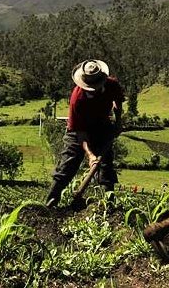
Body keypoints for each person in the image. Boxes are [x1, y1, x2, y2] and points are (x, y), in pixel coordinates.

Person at [46, 59, 124, 207]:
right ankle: (50, 205)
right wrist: (90, 155)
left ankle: (109, 207)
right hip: (78, 131)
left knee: (106, 168)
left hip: (102, 126)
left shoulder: (111, 84)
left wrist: (118, 121)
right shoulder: (77, 99)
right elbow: (80, 133)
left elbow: (117, 102)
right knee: (67, 166)